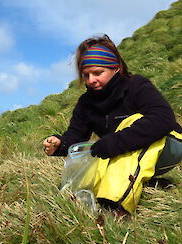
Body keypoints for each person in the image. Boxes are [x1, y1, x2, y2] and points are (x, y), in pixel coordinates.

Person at [43, 34, 182, 213]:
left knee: (132, 123)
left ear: (115, 68)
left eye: (98, 73)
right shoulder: (86, 103)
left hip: (169, 144)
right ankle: (146, 184)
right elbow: (76, 138)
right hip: (129, 151)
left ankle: (114, 206)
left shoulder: (136, 85)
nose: (91, 80)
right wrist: (59, 144)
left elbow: (163, 119)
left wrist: (112, 143)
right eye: (86, 75)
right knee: (101, 154)